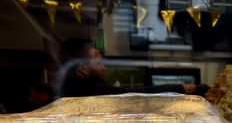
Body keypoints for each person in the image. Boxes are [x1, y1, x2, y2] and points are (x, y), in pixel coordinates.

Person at [57, 38, 187, 97]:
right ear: (83, 69)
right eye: (98, 63)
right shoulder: (91, 91)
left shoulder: (68, 90)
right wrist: (183, 88)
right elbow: (139, 95)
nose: (103, 67)